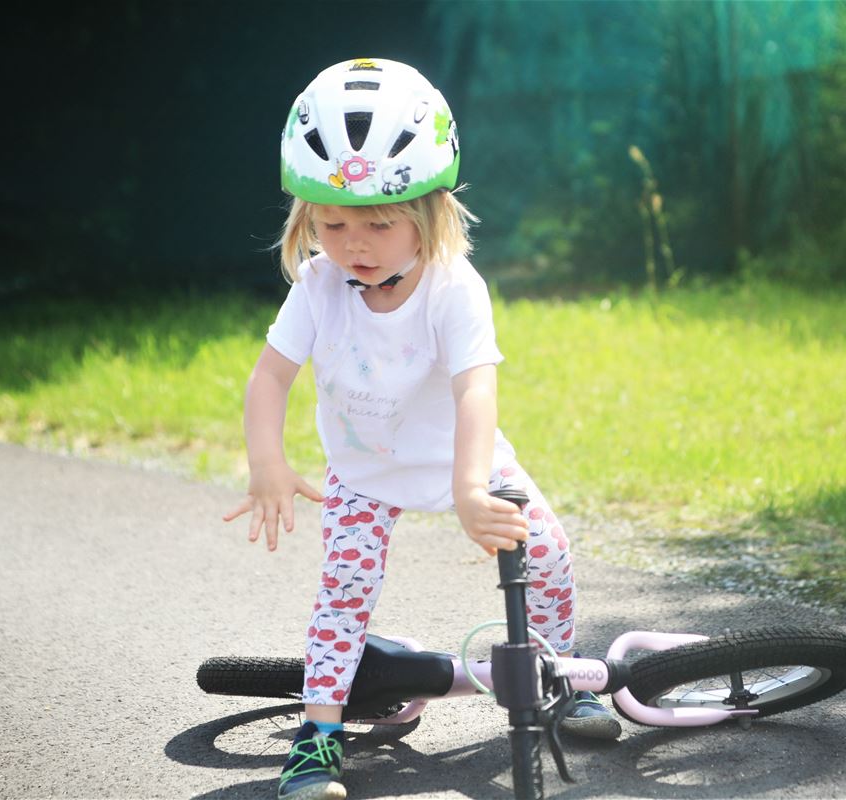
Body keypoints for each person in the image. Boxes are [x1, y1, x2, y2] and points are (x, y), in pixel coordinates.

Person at [223, 58, 619, 800]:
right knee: (342, 592)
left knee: (551, 556)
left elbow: (477, 389)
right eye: (332, 223)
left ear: (430, 212)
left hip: (454, 461)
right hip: (363, 471)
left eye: (378, 224)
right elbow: (269, 376)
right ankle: (318, 738)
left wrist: (471, 489)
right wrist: (267, 463)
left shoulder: (453, 288)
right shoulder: (317, 285)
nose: (353, 243)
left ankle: (561, 673)